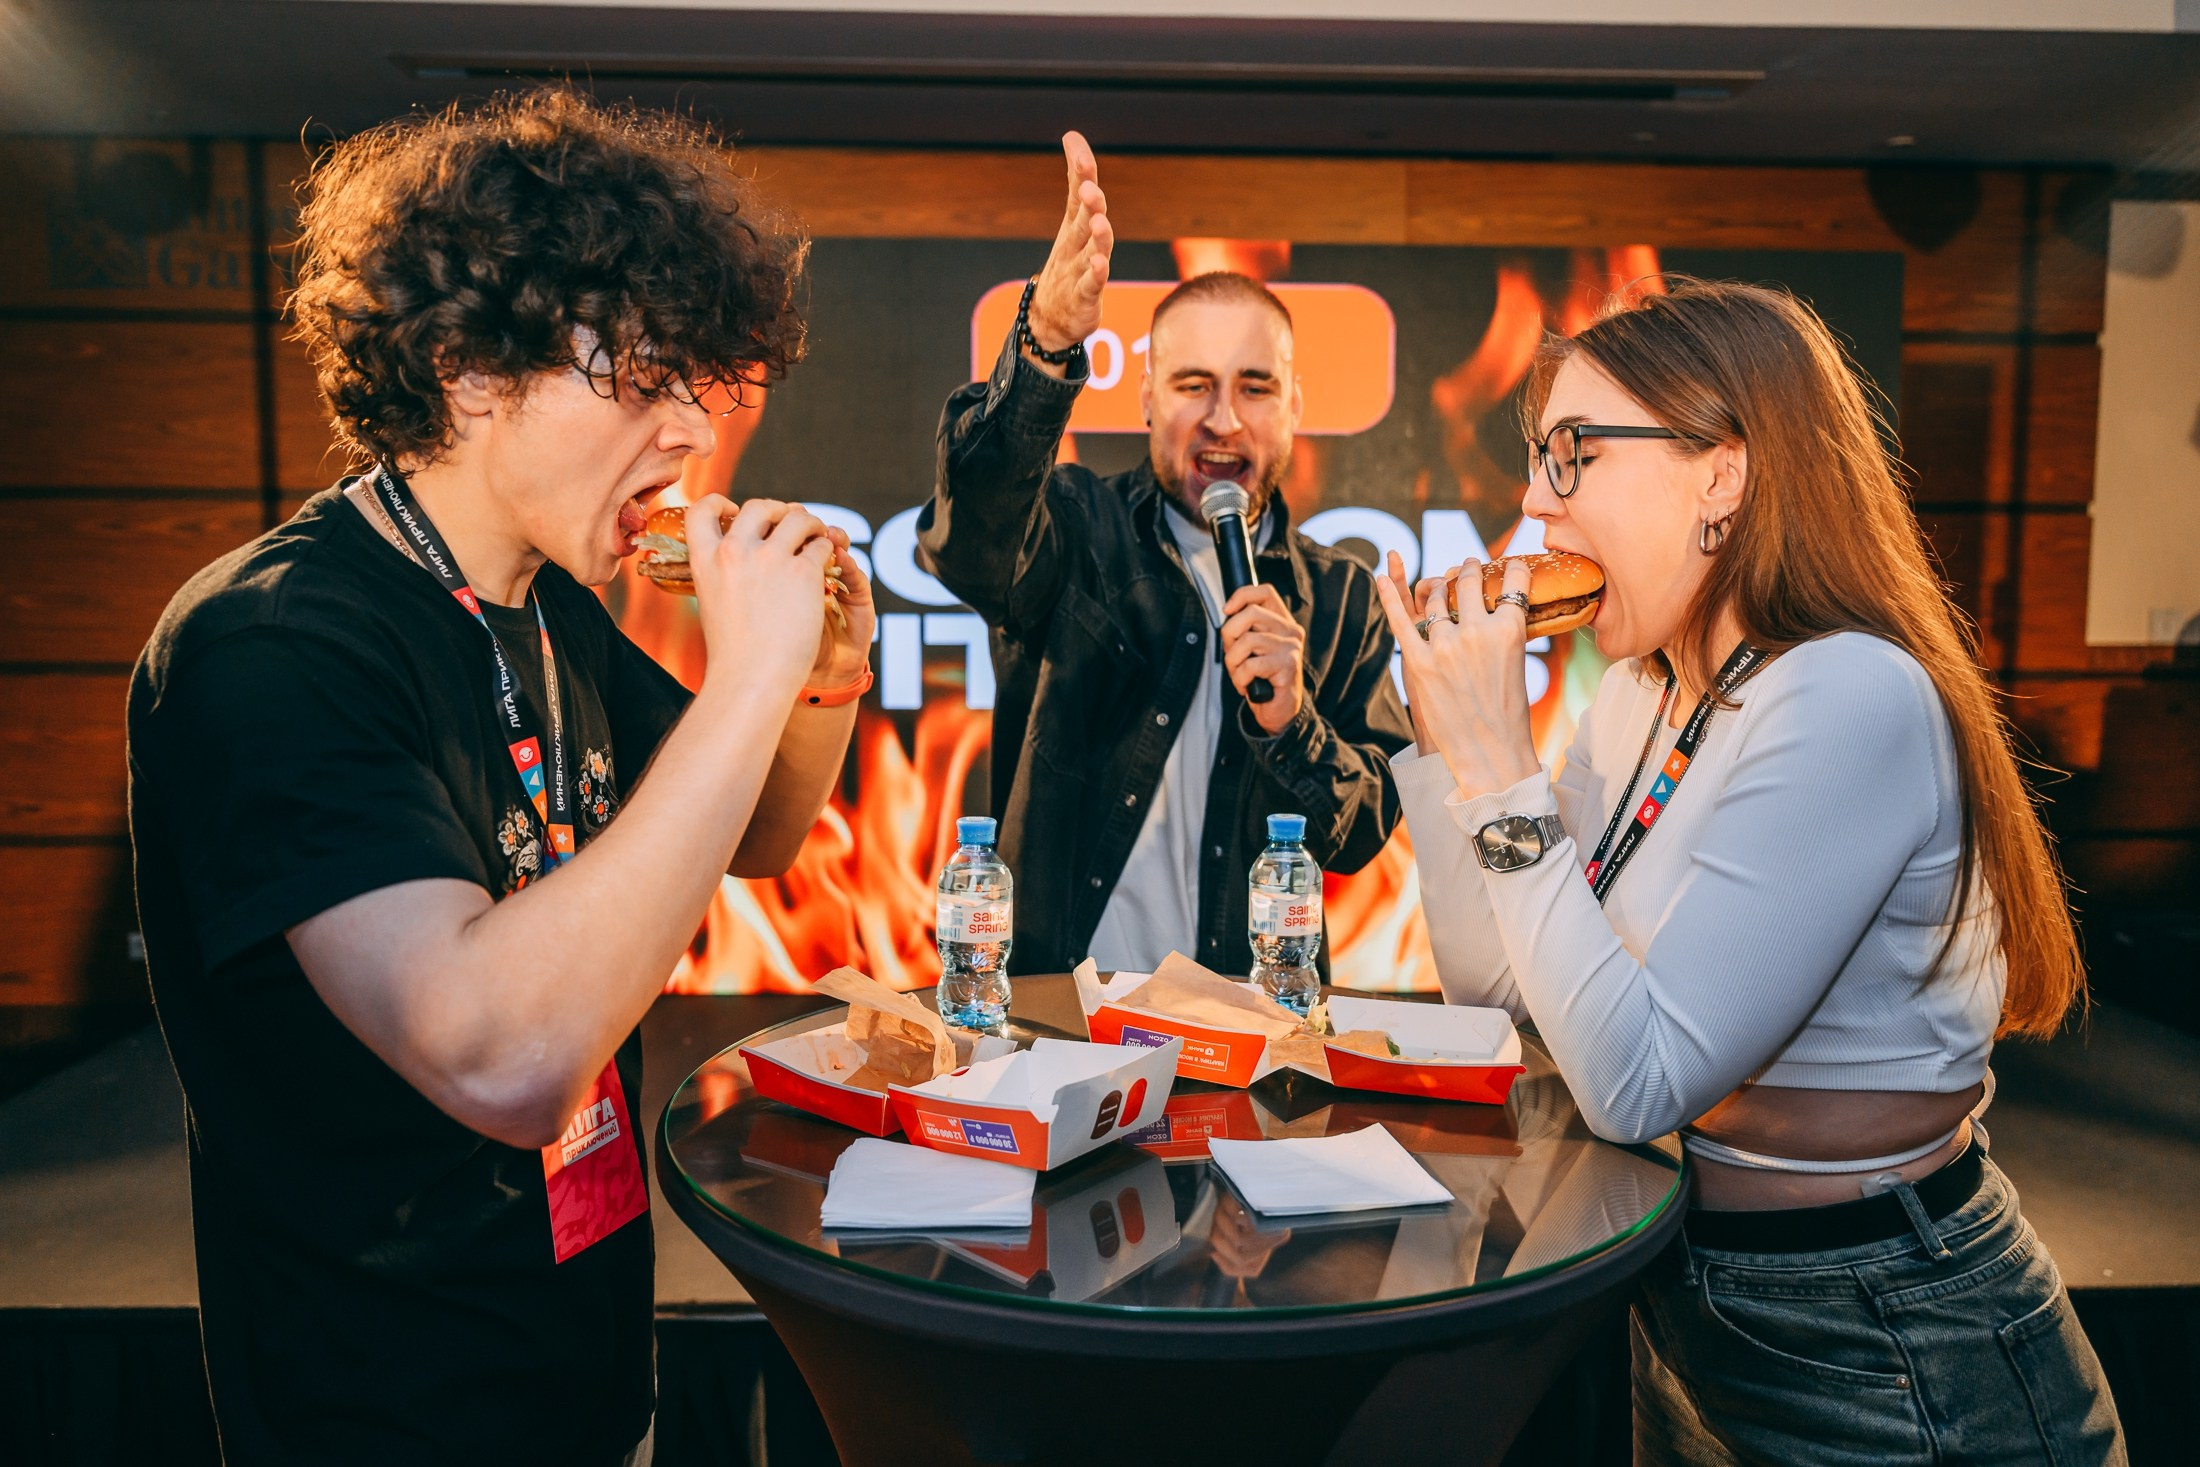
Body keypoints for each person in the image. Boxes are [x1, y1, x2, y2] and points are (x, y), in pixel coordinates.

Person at [126, 90, 874, 1466]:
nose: (694, 435)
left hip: (583, 1374)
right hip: (378, 1411)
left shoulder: (544, 601)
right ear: (469, 365)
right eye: (646, 377)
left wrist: (820, 671)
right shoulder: (267, 643)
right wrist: (749, 675)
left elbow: (759, 831)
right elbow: (508, 1057)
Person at [1379, 279, 2125, 1463]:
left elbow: (1635, 1084)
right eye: (1535, 457)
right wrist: (1436, 749)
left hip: (1889, 1337)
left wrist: (1499, 767)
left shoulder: (1847, 694)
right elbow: (1502, 993)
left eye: (1573, 453)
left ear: (1721, 476)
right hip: (1686, 1302)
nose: (1531, 499)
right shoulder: (1639, 693)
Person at [918, 131, 1413, 977]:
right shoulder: (1075, 527)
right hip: (1066, 1030)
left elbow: (1364, 831)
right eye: (1193, 385)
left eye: (1254, 387)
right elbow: (969, 541)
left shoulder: (1342, 597)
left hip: (1251, 1040)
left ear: (1294, 406)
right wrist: (1041, 346)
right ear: (1146, 398)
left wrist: (1293, 722)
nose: (1223, 418)